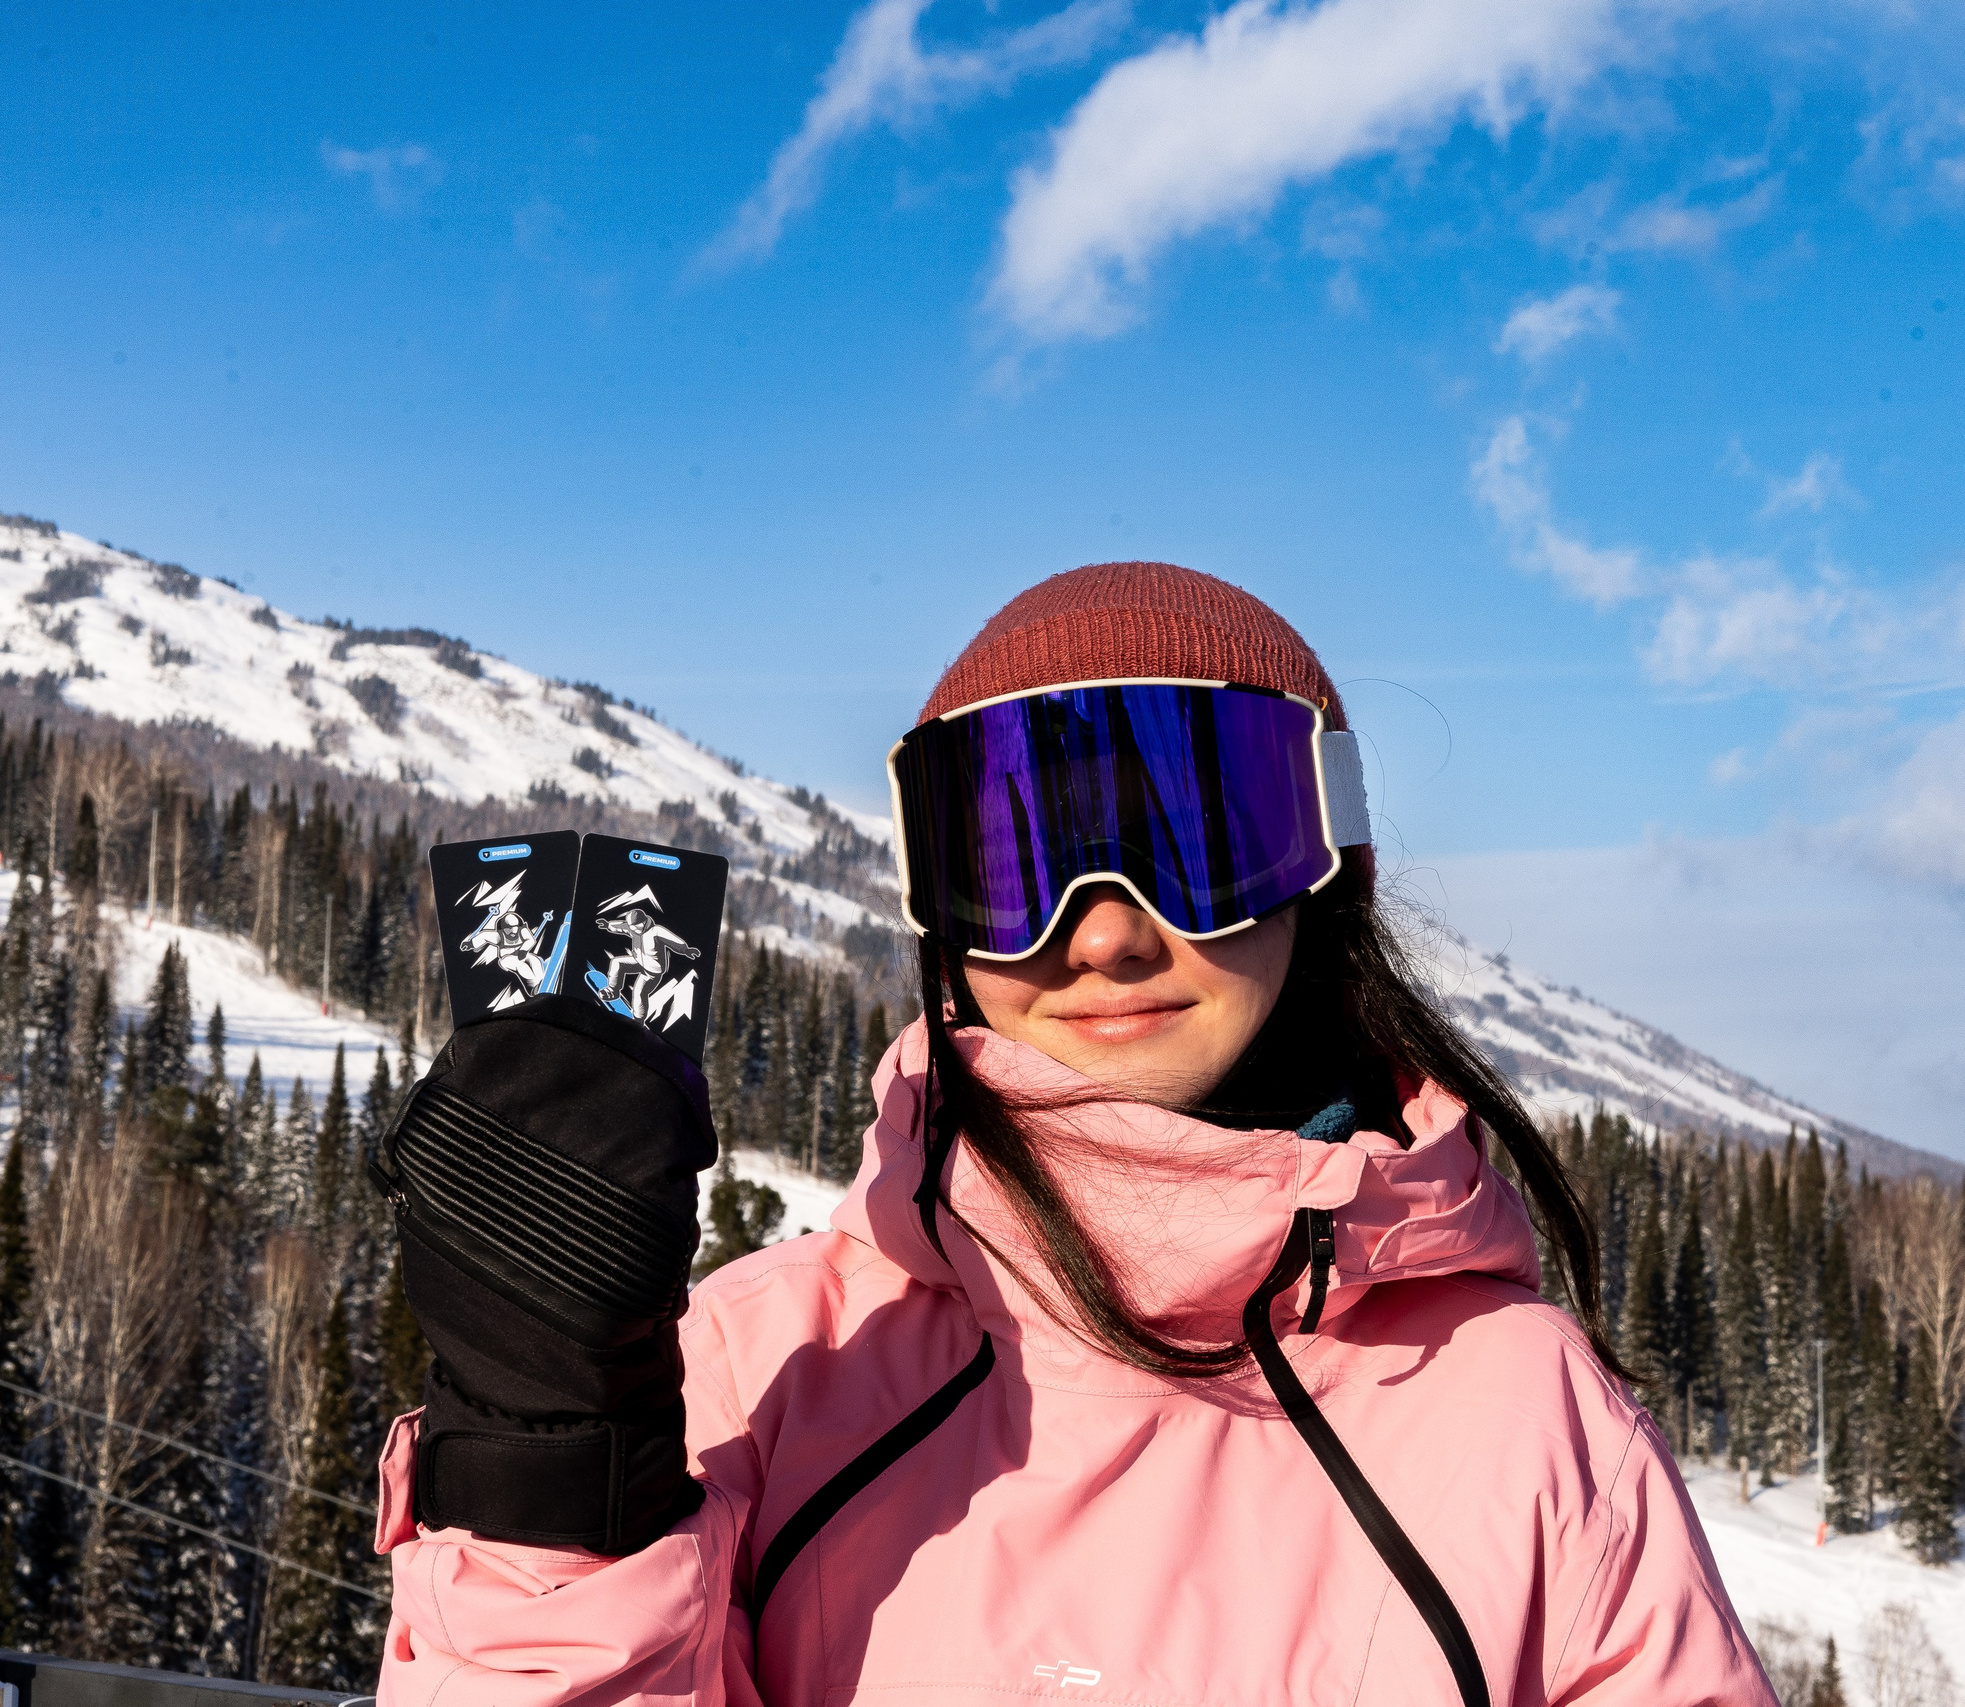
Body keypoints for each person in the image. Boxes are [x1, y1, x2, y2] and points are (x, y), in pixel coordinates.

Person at [372, 562, 1777, 1706]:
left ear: (1322, 864)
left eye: (1203, 838)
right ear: (939, 911)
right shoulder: (763, 1364)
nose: (1101, 932)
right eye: (1016, 864)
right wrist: (550, 1469)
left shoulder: (1518, 1416)